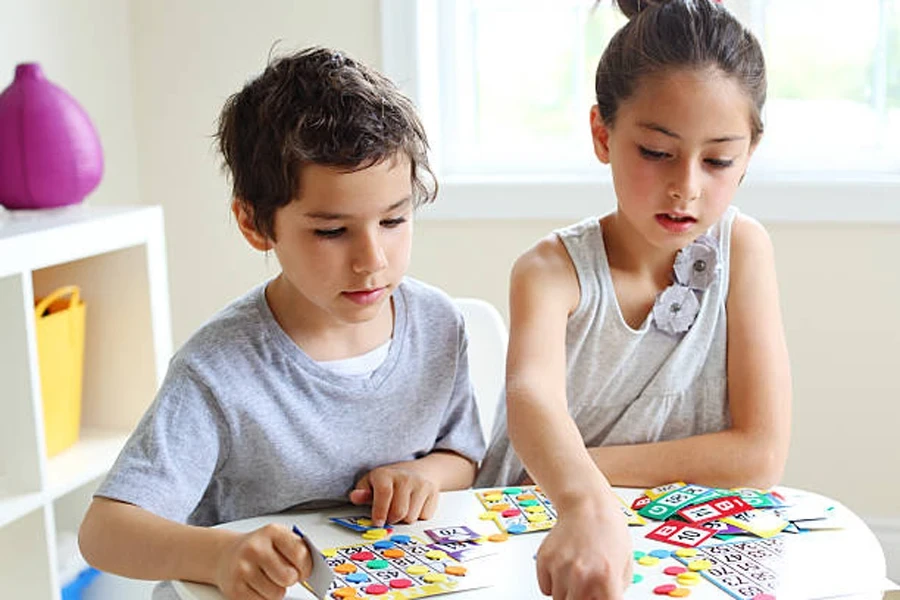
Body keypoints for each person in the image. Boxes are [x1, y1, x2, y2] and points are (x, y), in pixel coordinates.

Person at [78, 47, 485, 600]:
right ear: (254, 223)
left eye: (393, 219)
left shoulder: (439, 324)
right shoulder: (217, 369)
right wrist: (220, 555)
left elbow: (463, 455)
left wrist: (425, 476)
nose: (373, 260)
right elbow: (104, 534)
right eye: (331, 231)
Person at [476, 0, 792, 597]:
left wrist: (578, 474)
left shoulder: (744, 250)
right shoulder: (550, 272)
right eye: (655, 152)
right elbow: (530, 403)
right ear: (603, 133)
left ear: (748, 154)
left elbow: (758, 456)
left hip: (675, 547)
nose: (687, 186)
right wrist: (581, 503)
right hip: (537, 540)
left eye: (719, 160)